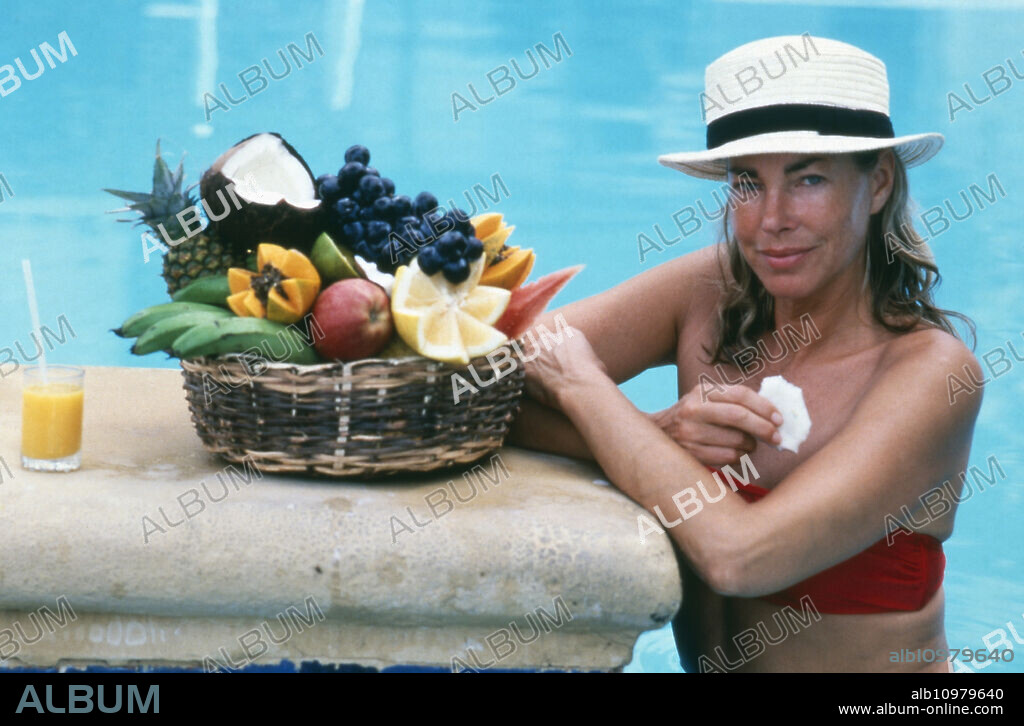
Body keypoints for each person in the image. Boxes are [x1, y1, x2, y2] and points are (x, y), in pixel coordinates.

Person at [507, 35, 982, 673]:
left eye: (808, 178)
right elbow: (483, 383)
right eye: (747, 183)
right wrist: (654, 432)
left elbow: (740, 557)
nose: (771, 220)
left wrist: (585, 390)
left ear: (878, 185)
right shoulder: (708, 290)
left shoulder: (932, 373)